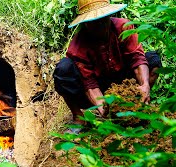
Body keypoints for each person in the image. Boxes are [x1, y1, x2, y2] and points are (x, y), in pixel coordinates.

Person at [53, 0, 162, 133]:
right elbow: (89, 83)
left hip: (125, 80)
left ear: (109, 17)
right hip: (99, 85)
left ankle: (138, 105)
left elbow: (137, 58)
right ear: (85, 24)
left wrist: (145, 85)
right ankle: (79, 117)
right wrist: (103, 107)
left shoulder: (124, 27)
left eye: (102, 20)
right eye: (94, 22)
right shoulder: (78, 46)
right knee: (63, 69)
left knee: (153, 61)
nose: (100, 25)